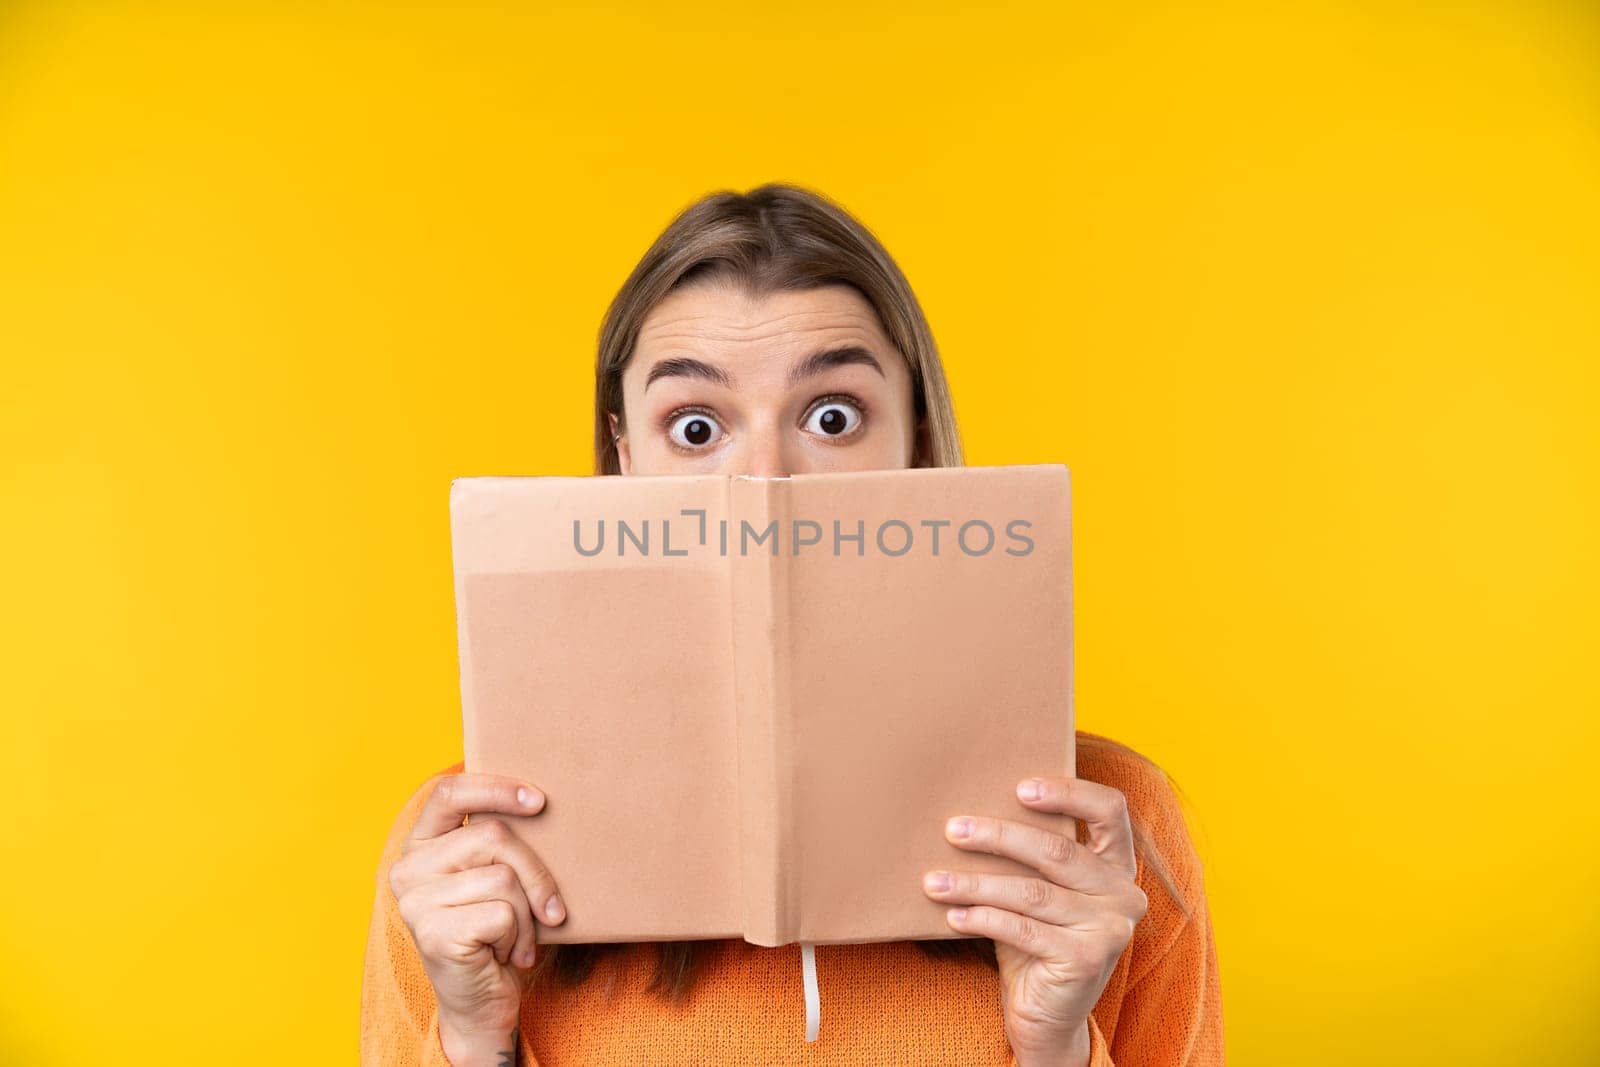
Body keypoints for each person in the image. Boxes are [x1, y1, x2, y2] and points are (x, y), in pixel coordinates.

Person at [360, 183, 1225, 1066]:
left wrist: (1056, 1048)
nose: (768, 482)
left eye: (833, 416)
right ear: (625, 460)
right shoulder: (468, 854)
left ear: (917, 445)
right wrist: (472, 1041)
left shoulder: (1107, 833)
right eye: (696, 426)